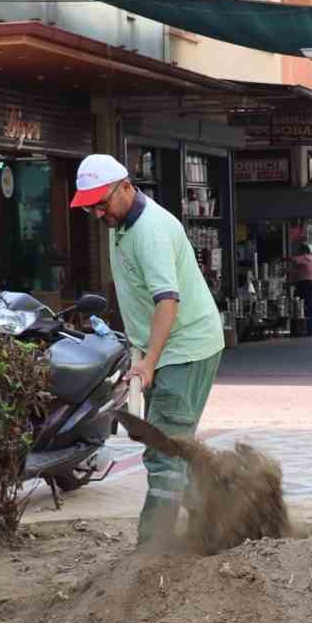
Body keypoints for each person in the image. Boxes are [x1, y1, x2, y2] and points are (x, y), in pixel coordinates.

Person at [71, 153, 224, 547]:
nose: (97, 212)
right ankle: (222, 515)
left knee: (163, 452)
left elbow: (166, 302)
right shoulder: (119, 221)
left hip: (185, 348)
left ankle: (151, 551)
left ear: (126, 187)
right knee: (173, 445)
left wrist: (150, 362)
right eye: (90, 206)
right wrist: (138, 354)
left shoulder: (150, 230)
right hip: (163, 348)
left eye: (101, 202)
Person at [286, 242, 312, 336]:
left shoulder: (306, 257)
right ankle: (306, 330)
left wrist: (286, 261)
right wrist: (289, 271)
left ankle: (305, 331)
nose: (298, 253)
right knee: (307, 307)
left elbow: (295, 260)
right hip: (307, 284)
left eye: (299, 251)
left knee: (300, 307)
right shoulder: (309, 259)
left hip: (305, 285)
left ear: (303, 251)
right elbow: (299, 270)